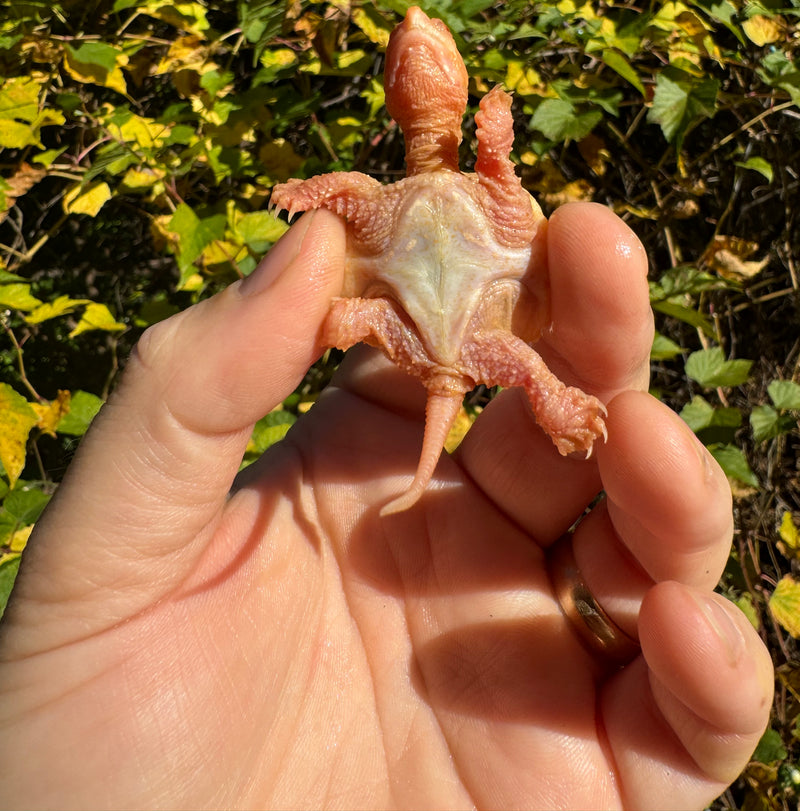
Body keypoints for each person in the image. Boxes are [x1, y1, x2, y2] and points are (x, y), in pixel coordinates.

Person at [0, 203, 772, 810]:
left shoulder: (421, 195)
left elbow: (487, 190)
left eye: (427, 36)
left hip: (456, 327)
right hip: (432, 323)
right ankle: (546, 396)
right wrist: (316, 206)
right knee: (485, 354)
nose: (417, 30)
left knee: (532, 367)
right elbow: (349, 218)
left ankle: (555, 400)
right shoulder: (378, 199)